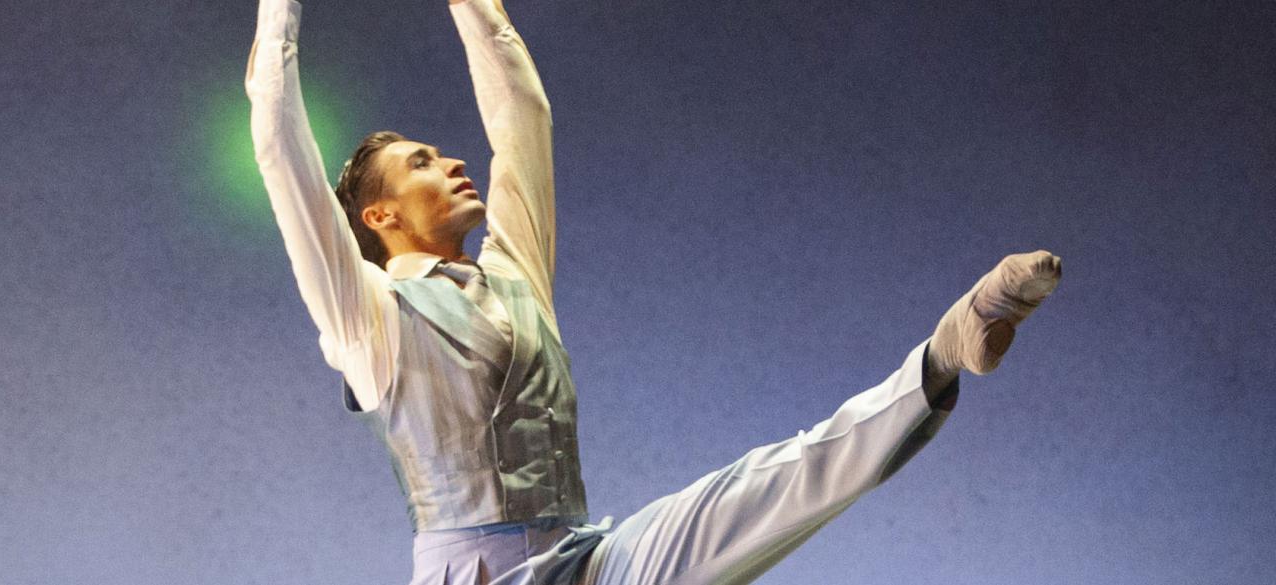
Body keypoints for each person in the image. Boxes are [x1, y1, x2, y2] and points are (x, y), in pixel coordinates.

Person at [245, 0, 1064, 583]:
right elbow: (280, 143)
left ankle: (949, 346)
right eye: (422, 163)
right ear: (379, 214)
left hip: (591, 559)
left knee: (766, 484)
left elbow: (522, 111)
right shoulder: (367, 318)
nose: (453, 162)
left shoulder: (512, 270)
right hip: (478, 576)